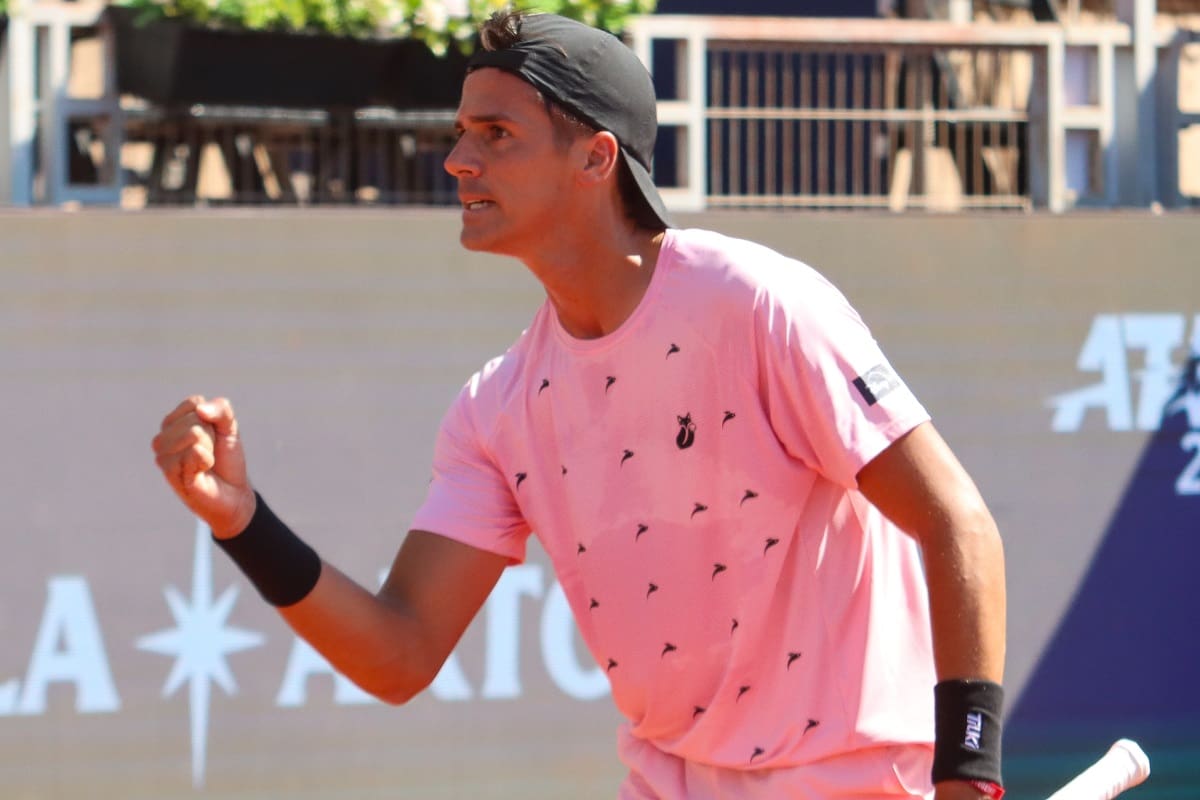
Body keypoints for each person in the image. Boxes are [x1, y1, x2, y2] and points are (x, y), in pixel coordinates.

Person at [151, 10, 1006, 800]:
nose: (458, 160)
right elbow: (399, 652)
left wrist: (967, 774)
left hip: (851, 777)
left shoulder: (760, 304)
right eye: (460, 133)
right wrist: (241, 520)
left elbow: (955, 521)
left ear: (596, 159)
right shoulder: (497, 408)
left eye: (496, 135)